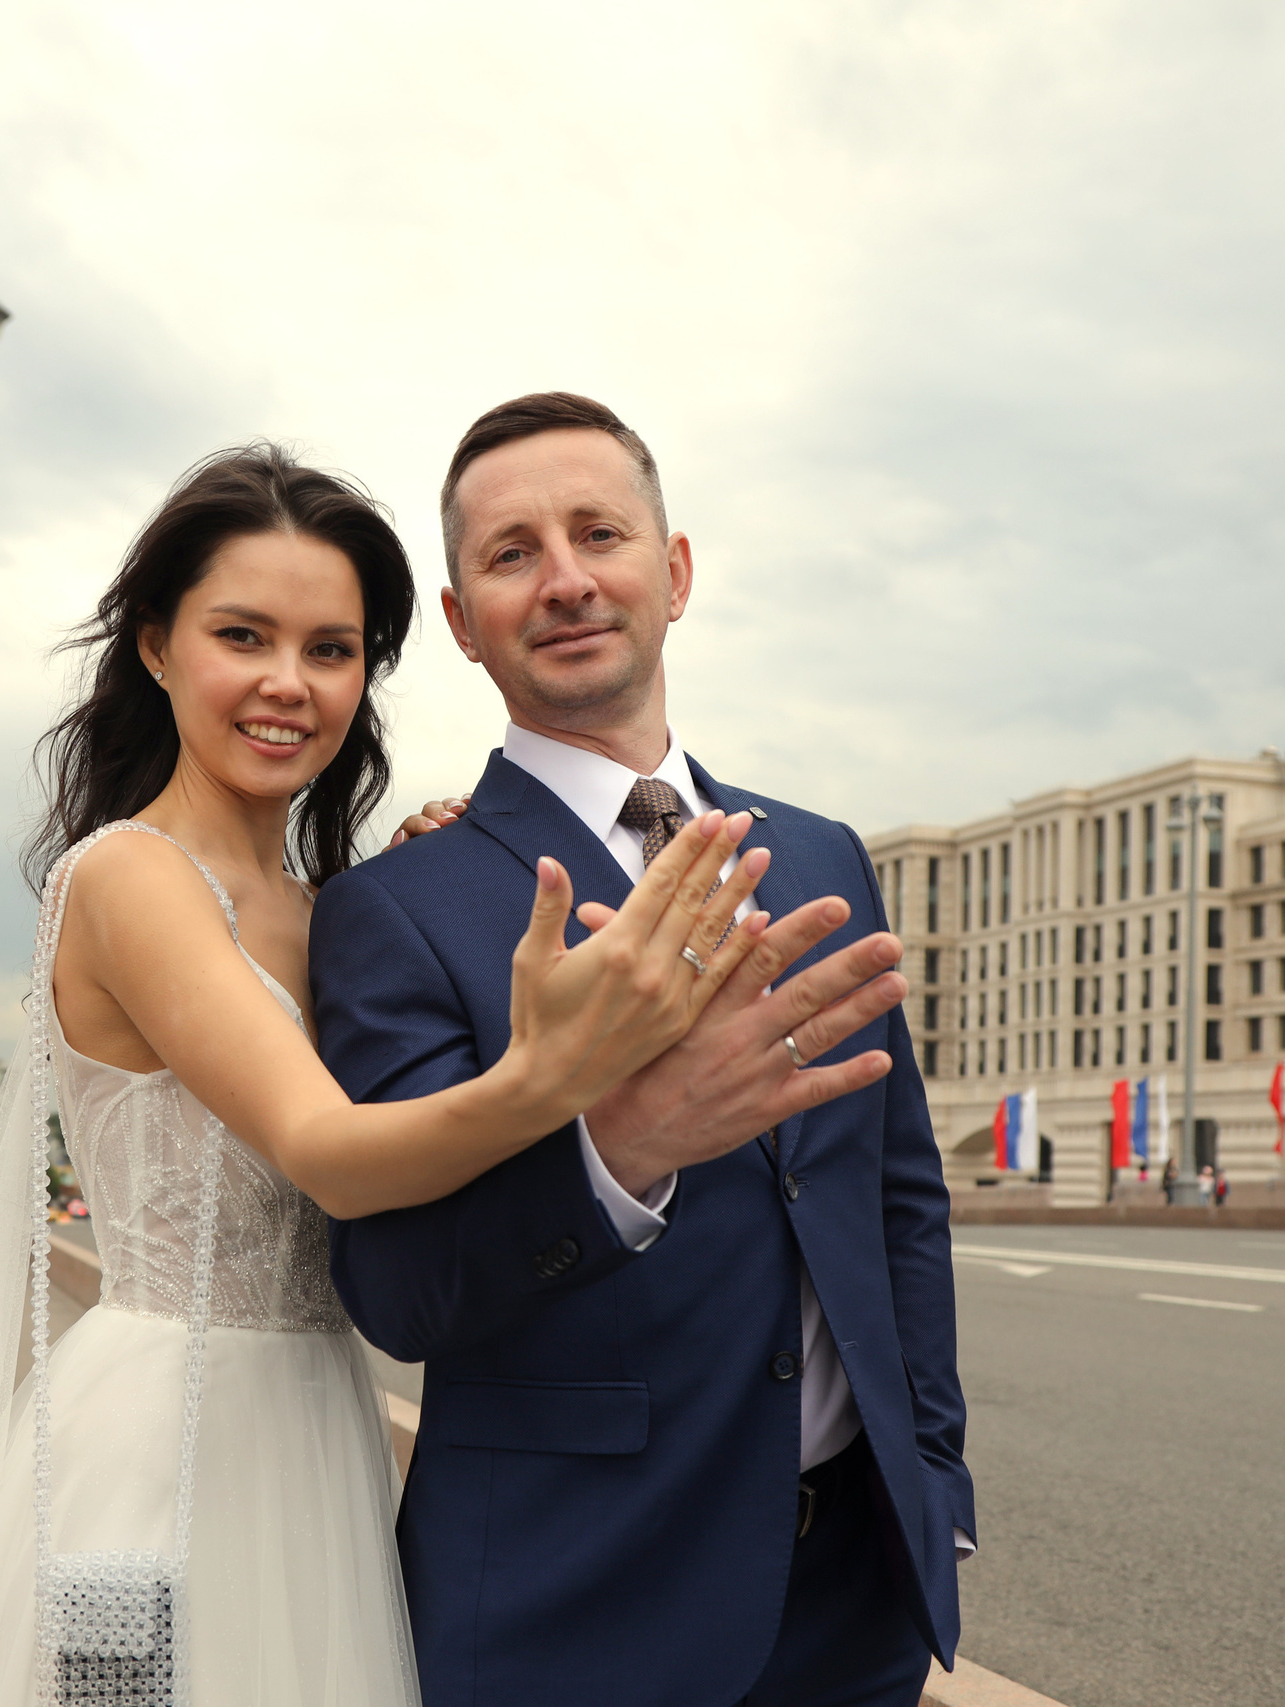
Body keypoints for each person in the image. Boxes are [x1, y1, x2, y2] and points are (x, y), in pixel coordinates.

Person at [0, 444, 898, 1707]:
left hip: (311, 1433)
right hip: (155, 1450)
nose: (290, 684)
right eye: (243, 636)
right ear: (157, 647)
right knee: (126, 1694)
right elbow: (325, 1146)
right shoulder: (128, 877)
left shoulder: (330, 900)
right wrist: (559, 1076)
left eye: (331, 650)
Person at [317, 393, 968, 1707]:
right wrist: (622, 1148)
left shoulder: (826, 854)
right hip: (577, 1609)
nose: (564, 579)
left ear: (671, 573)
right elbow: (392, 1287)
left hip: (857, 1597)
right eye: (510, 553)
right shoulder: (394, 908)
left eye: (599, 532)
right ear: (460, 622)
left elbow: (896, 1194)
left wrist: (936, 1476)